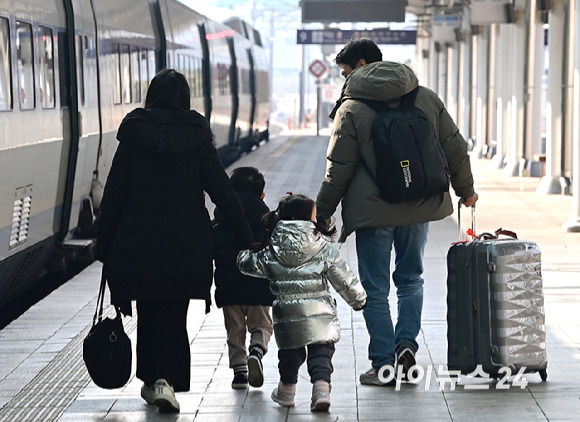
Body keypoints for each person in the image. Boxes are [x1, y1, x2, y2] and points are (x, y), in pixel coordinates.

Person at [316, 39, 479, 386]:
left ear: (360, 65)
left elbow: (338, 167)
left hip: (374, 214)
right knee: (410, 279)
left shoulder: (352, 108)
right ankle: (407, 345)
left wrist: (324, 211)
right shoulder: (424, 96)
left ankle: (383, 364)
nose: (344, 79)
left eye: (346, 72)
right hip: (418, 205)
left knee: (374, 290)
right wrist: (466, 190)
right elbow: (455, 145)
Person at [95, 69, 254, 413]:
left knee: (150, 311)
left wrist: (103, 245)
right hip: (186, 244)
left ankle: (155, 381)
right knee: (174, 314)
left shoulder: (133, 136)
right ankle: (166, 381)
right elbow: (223, 193)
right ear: (184, 99)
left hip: (138, 241)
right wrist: (247, 237)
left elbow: (114, 194)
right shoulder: (196, 137)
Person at [237, 193, 367, 412]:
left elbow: (247, 264)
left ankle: (287, 391)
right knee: (321, 352)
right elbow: (344, 278)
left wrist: (241, 254)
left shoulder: (271, 250)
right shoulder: (323, 248)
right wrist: (359, 300)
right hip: (321, 313)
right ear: (310, 219)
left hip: (287, 316)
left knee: (290, 354)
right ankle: (321, 390)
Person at [212, 166, 275, 390]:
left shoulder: (219, 220)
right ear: (262, 195)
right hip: (258, 287)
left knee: (235, 330)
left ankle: (239, 372)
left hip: (229, 289)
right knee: (262, 326)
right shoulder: (267, 221)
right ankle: (257, 350)